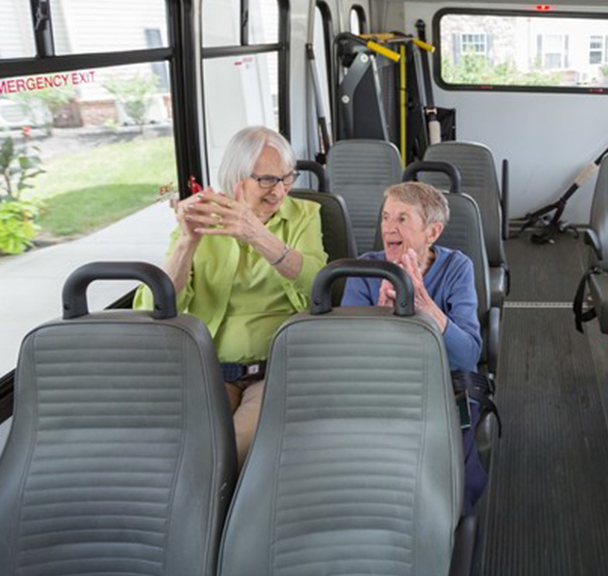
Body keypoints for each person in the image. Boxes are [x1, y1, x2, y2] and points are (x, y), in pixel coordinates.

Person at [135, 126, 327, 466]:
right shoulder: (202, 218)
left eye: (287, 178)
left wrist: (257, 235)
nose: (279, 191)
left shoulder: (304, 216)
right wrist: (187, 242)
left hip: (272, 368)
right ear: (236, 180)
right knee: (184, 446)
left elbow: (319, 285)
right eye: (267, 180)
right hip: (207, 367)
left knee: (231, 450)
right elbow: (153, 307)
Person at [342, 181, 486, 512]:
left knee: (453, 473)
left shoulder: (456, 268)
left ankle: (452, 533)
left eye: (403, 219)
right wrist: (381, 315)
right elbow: (351, 357)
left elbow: (468, 355)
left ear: (432, 232)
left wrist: (425, 307)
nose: (389, 229)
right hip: (378, 388)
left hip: (443, 385)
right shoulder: (364, 269)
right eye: (386, 217)